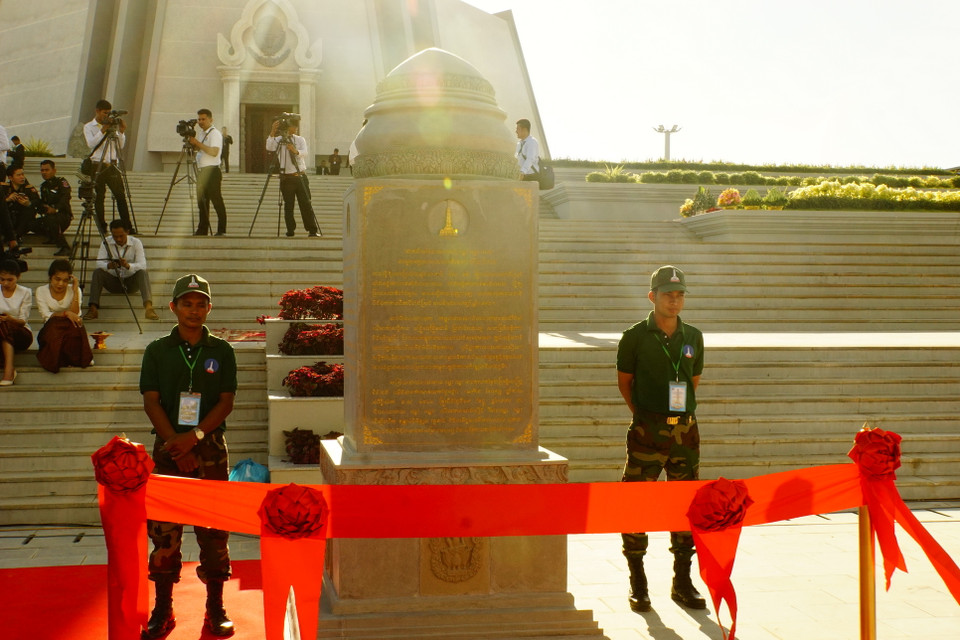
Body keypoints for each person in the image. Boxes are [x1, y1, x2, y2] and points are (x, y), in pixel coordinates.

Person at [139, 273, 237, 638]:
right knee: (164, 532)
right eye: (187, 304)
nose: (194, 311)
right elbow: (151, 401)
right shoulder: (157, 350)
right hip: (168, 451)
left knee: (214, 531)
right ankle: (163, 608)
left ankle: (216, 608)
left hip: (209, 449)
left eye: (200, 304)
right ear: (173, 307)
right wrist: (175, 444)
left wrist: (193, 438)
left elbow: (226, 402)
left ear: (209, 308)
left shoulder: (222, 351)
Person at [616, 265, 706, 613]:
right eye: (668, 294)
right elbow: (625, 382)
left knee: (686, 505)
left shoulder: (693, 335)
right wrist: (644, 415)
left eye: (680, 294)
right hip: (647, 431)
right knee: (635, 503)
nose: (675, 300)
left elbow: (693, 380)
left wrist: (675, 415)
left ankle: (682, 581)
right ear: (652, 296)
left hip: (685, 432)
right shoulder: (634, 336)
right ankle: (638, 582)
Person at [82, 220, 159, 321]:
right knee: (98, 272)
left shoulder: (136, 242)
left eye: (121, 236)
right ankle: (93, 308)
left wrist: (128, 266)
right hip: (114, 281)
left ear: (127, 232)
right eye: (115, 236)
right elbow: (99, 263)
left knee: (142, 273)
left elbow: (143, 265)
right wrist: (109, 265)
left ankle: (149, 308)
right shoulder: (106, 242)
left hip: (131, 282)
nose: (118, 239)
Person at [35, 259, 92, 373]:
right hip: (51, 329)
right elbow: (46, 316)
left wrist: (75, 291)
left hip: (69, 327)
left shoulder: (74, 290)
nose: (61, 284)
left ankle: (75, 357)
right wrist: (66, 313)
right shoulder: (41, 291)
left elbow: (76, 314)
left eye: (65, 280)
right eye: (57, 279)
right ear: (50, 277)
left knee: (76, 325)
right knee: (54, 326)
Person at [84, 99, 132, 233]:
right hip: (97, 165)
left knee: (120, 196)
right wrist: (103, 130)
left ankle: (127, 226)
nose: (107, 116)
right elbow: (91, 144)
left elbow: (119, 146)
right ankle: (102, 226)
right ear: (97, 111)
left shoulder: (112, 125)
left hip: (112, 165)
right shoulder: (89, 126)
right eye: (105, 113)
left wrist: (121, 132)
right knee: (99, 197)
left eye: (109, 113)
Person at [266, 118, 320, 237]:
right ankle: (290, 230)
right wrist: (272, 131)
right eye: (293, 125)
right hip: (287, 178)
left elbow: (305, 153)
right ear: (287, 127)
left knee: (306, 203)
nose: (296, 128)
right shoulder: (279, 140)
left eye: (296, 125)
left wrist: (295, 151)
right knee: (288, 205)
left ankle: (312, 229)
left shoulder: (300, 139)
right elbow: (269, 147)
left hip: (300, 176)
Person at [189, 109, 228, 236]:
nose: (201, 122)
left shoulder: (215, 133)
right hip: (202, 170)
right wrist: (194, 144)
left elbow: (214, 152)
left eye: (203, 119)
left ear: (211, 119)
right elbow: (201, 150)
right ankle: (202, 229)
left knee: (216, 201)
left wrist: (197, 143)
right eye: (199, 119)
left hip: (212, 171)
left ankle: (221, 230)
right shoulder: (202, 133)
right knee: (202, 202)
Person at [0, 258, 33, 386]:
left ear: (17, 277)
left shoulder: (25, 292)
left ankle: (9, 370)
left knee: (5, 325)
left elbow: (22, 321)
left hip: (20, 332)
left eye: (10, 280)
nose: (5, 283)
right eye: (2, 279)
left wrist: (9, 319)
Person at [38, 160, 73, 256]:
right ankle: (52, 236)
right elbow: (43, 202)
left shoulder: (61, 182)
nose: (44, 172)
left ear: (54, 171)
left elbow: (65, 197)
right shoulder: (43, 186)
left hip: (62, 215)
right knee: (31, 224)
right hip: (49, 216)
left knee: (52, 219)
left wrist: (55, 209)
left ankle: (65, 247)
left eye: (47, 170)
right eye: (42, 170)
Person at [2, 166, 41, 239]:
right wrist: (7, 200)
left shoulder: (28, 188)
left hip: (22, 218)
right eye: (18, 175)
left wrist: (29, 203)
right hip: (8, 217)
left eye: (22, 174)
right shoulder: (4, 188)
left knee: (29, 210)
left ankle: (17, 235)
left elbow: (38, 201)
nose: (22, 177)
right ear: (10, 178)